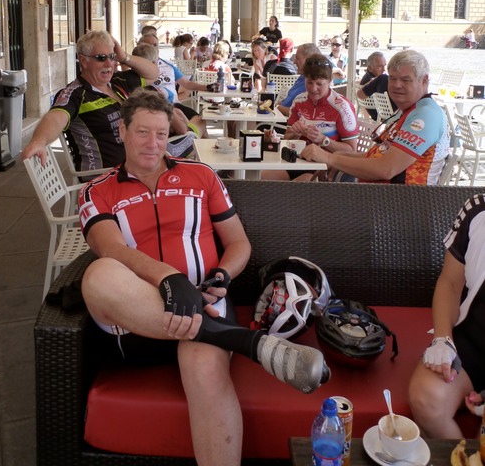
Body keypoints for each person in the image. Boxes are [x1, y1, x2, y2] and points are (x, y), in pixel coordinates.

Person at [78, 89, 330, 466]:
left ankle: (231, 339)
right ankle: (251, 344)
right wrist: (168, 278)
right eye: (143, 132)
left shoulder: (202, 176)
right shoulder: (96, 191)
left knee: (205, 368)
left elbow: (238, 243)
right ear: (123, 133)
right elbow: (111, 249)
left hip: (207, 304)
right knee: (99, 275)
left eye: (161, 134)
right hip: (138, 322)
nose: (153, 143)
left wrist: (222, 274)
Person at [301, 50, 450, 185]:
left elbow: (386, 168)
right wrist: (338, 157)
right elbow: (376, 157)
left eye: (405, 80)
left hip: (403, 206)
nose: (397, 85)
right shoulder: (407, 110)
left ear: (424, 81)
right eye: (392, 79)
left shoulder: (426, 114)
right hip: (377, 198)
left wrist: (330, 158)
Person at [21, 30, 158, 171]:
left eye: (112, 57)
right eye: (101, 58)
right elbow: (56, 117)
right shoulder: (76, 93)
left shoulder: (117, 81)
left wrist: (123, 57)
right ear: (84, 60)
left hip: (135, 168)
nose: (109, 63)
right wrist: (39, 141)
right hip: (105, 177)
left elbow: (153, 74)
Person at [408, 194, 485, 437]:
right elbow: (451, 283)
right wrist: (443, 339)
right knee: (426, 399)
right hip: (474, 338)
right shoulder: (477, 210)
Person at [262, 56, 358, 182]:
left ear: (330, 80)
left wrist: (324, 140)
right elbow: (287, 138)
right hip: (298, 161)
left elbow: (352, 150)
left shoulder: (342, 107)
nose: (313, 89)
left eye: (319, 84)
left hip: (327, 167)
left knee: (304, 182)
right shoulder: (299, 101)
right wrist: (294, 133)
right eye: (309, 83)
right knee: (263, 177)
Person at [139, 32, 210, 137]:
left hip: (175, 104)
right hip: (157, 108)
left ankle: (200, 148)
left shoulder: (168, 65)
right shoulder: (139, 68)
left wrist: (207, 87)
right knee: (189, 128)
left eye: (155, 45)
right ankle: (190, 139)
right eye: (149, 45)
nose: (153, 48)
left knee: (200, 120)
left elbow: (186, 83)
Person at [276, 43, 322, 117]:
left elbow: (301, 113)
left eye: (297, 58)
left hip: (285, 123)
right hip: (279, 117)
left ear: (308, 60)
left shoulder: (312, 84)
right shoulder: (303, 77)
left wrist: (276, 107)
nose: (294, 62)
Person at [357, 51, 392, 121]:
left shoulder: (366, 78)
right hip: (384, 117)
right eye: (380, 66)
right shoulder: (377, 81)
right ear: (370, 68)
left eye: (384, 66)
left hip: (376, 116)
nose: (384, 69)